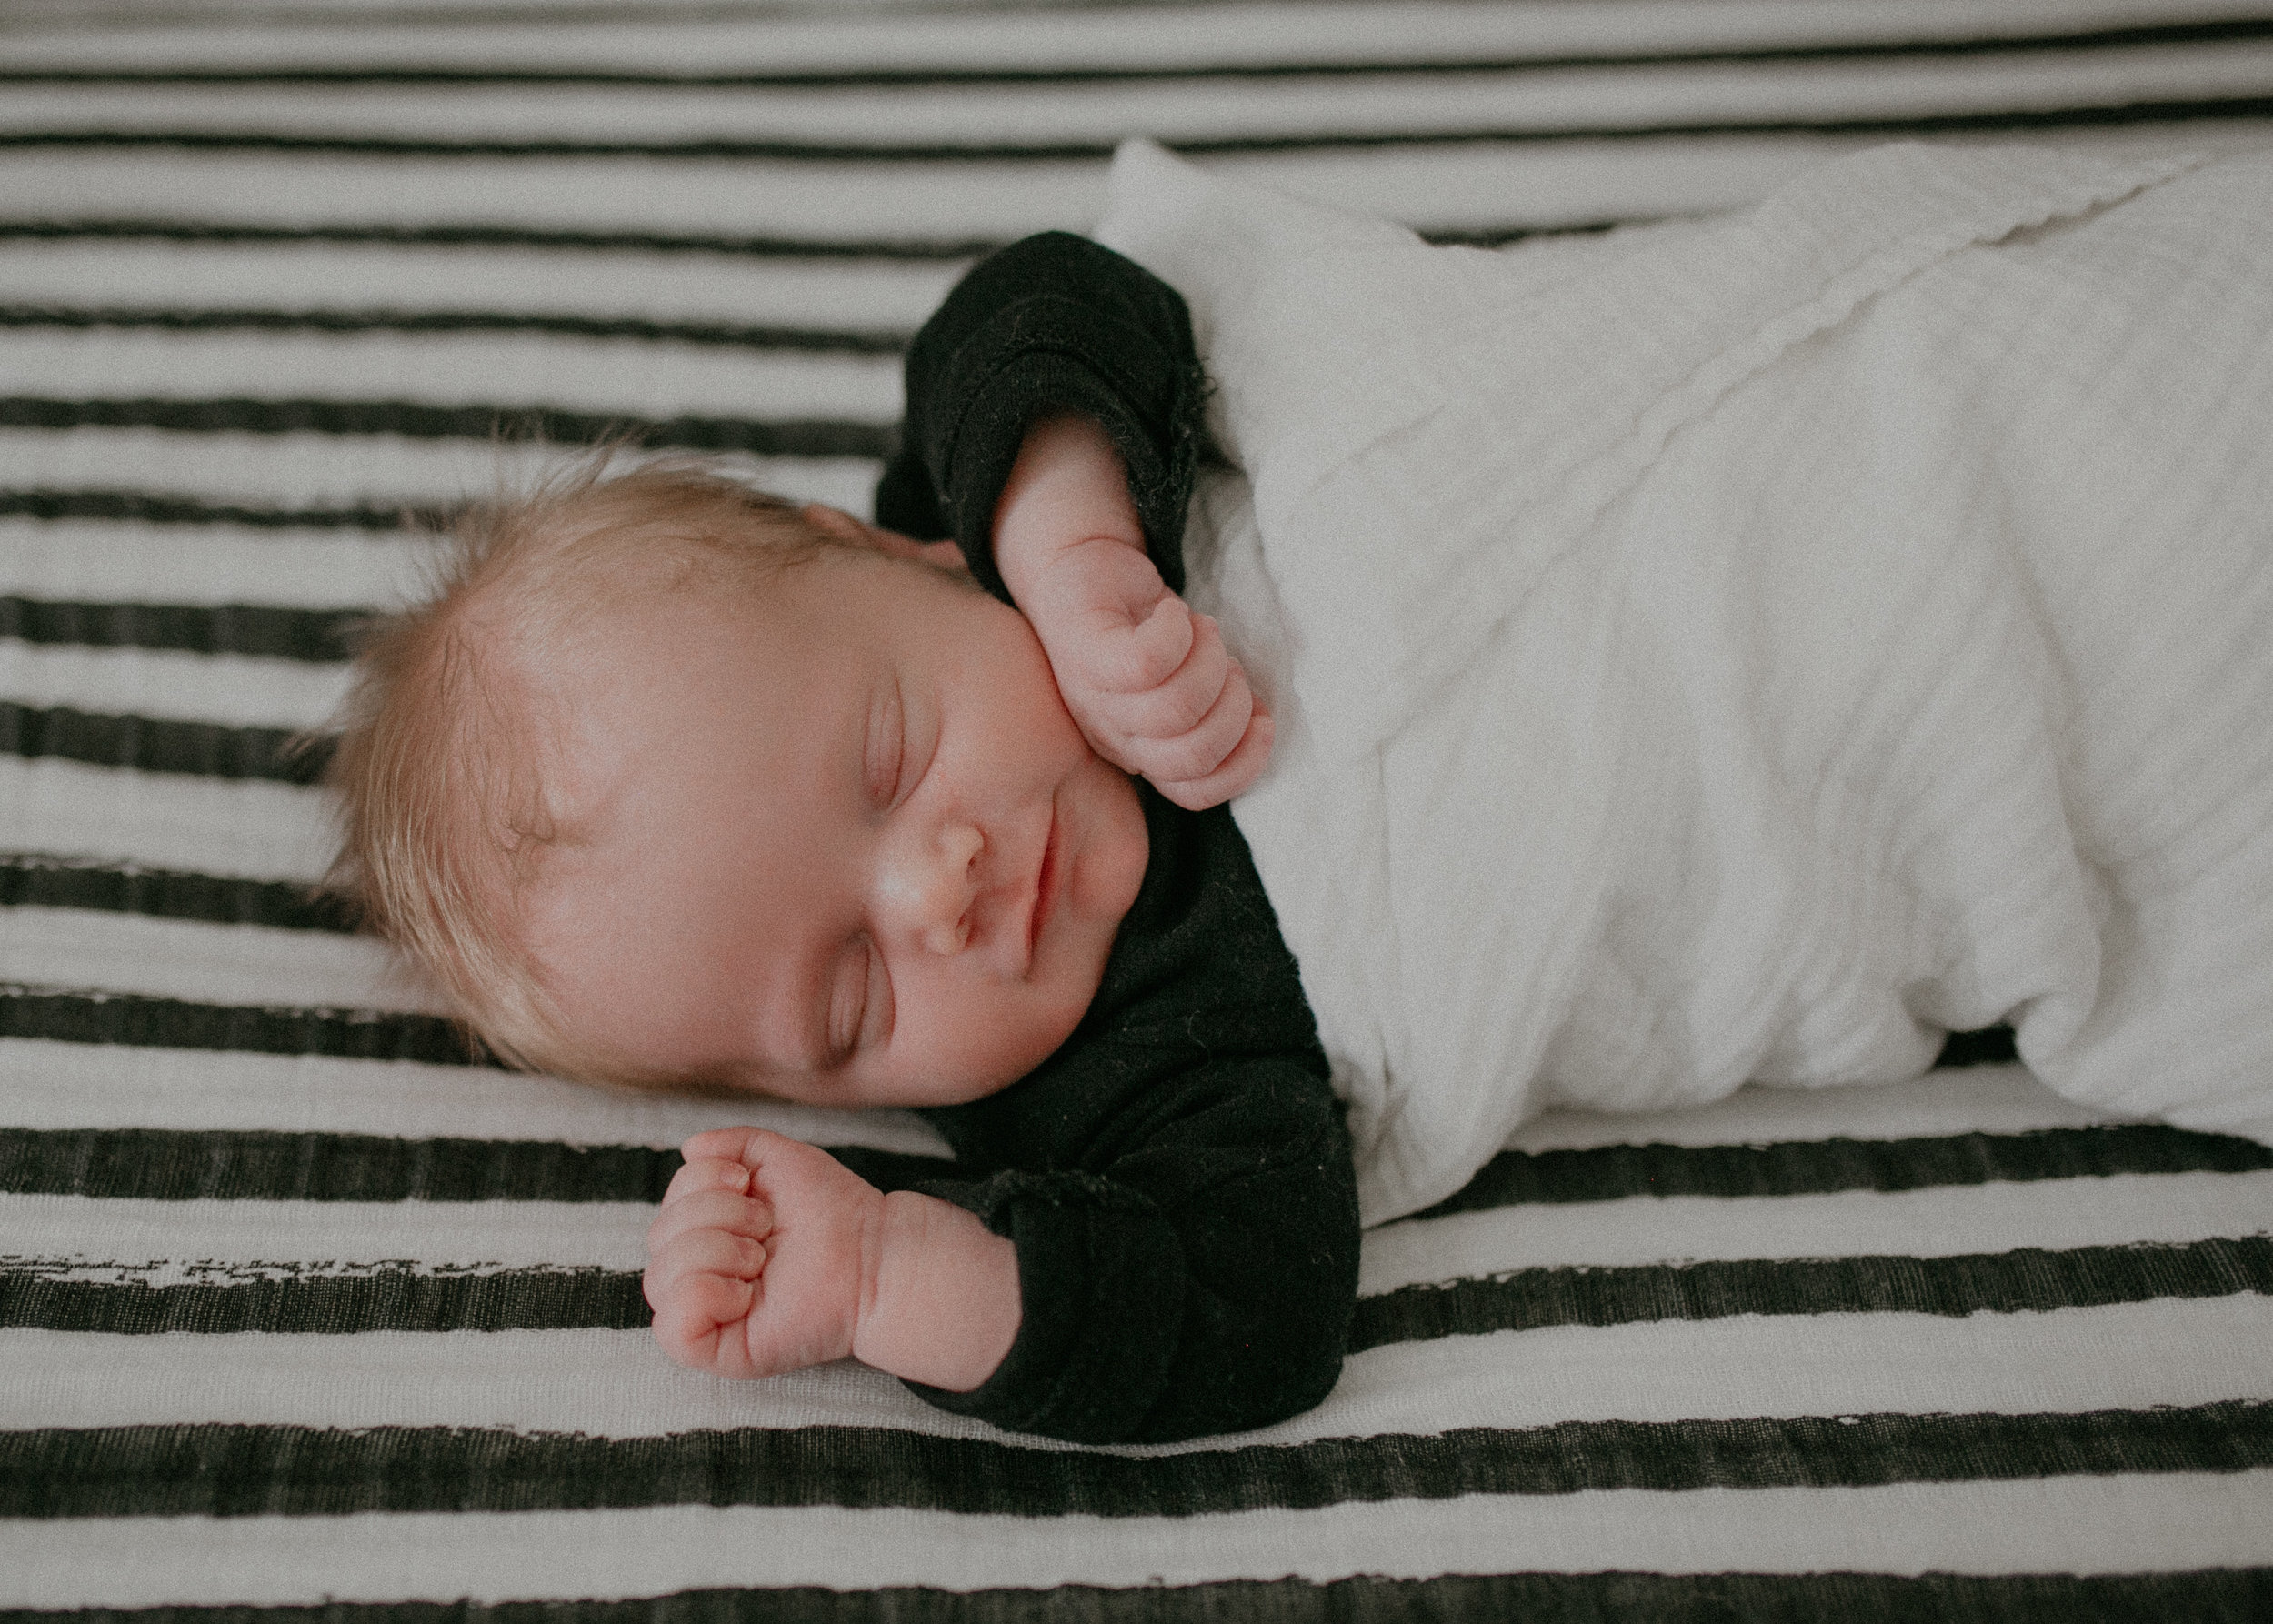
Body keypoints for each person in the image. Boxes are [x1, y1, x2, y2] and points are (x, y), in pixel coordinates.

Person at [321, 232, 1360, 1445]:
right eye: (854, 997)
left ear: (895, 555)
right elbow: (1249, 1309)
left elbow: (1052, 300)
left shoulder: (993, 518)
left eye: (894, 759)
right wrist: (889, 1276)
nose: (937, 895)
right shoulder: (1114, 1094)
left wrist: (1070, 548)